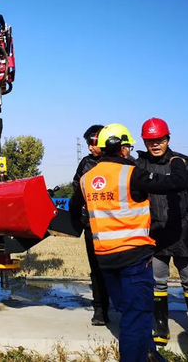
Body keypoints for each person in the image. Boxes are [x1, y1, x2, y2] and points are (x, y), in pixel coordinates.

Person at [71, 123, 188, 362]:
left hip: (105, 259)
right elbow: (176, 182)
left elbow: (75, 210)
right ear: (123, 148)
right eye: (128, 146)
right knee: (136, 315)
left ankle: (149, 353)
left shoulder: (87, 178)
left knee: (130, 312)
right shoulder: (131, 174)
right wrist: (177, 163)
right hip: (134, 259)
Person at [135, 118, 188, 348]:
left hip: (183, 233)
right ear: (145, 142)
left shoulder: (185, 164)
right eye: (150, 141)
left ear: (167, 139)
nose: (155, 145)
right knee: (157, 282)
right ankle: (161, 325)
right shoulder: (139, 167)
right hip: (153, 234)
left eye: (159, 140)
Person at [72, 124, 110, 326]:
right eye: (87, 144)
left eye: (92, 143)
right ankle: (100, 310)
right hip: (93, 227)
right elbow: (76, 187)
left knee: (118, 269)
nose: (89, 148)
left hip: (117, 227)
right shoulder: (86, 164)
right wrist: (82, 215)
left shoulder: (122, 161)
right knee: (96, 269)